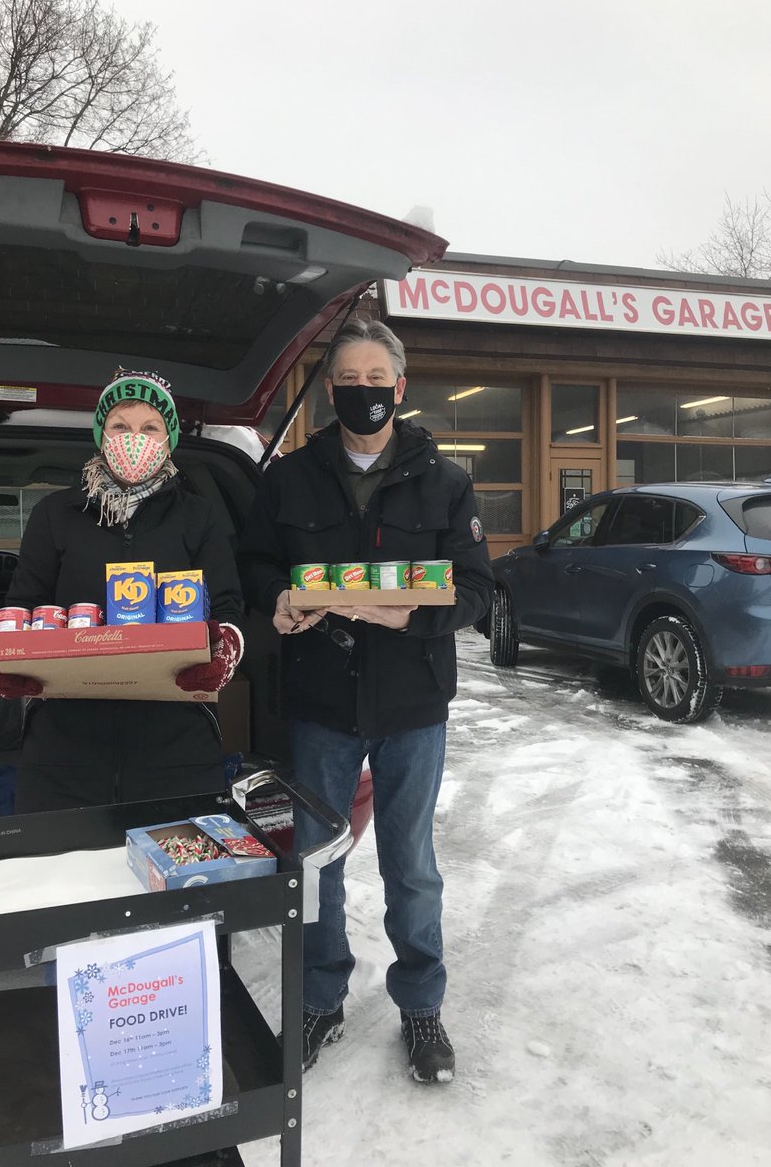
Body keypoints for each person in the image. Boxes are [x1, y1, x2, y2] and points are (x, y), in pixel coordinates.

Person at [238, 318, 493, 1083]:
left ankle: (421, 1004)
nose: (363, 394)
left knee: (410, 864)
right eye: (348, 382)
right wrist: (278, 600)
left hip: (413, 703)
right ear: (330, 391)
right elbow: (252, 566)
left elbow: (477, 589)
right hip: (320, 700)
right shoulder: (288, 478)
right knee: (318, 862)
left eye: (375, 382)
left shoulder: (445, 481)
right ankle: (320, 999)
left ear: (400, 389)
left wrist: (414, 614)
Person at [0, 368, 244, 813]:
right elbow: (21, 606)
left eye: (150, 427)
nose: (134, 438)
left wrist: (225, 651)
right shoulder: (55, 513)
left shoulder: (198, 516)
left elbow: (228, 606)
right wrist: (3, 658)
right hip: (63, 745)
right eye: (120, 426)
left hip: (176, 739)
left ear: (169, 438)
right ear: (101, 434)